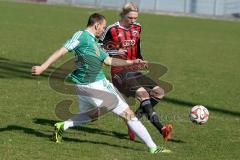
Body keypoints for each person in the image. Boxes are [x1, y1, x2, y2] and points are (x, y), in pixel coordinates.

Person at [31, 13, 171, 154]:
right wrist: (43, 67)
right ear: (96, 25)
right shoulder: (81, 36)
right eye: (103, 27)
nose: (104, 30)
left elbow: (109, 61)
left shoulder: (95, 43)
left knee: (93, 115)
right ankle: (153, 147)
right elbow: (62, 50)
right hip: (95, 86)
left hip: (83, 86)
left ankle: (63, 126)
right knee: (128, 114)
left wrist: (132, 62)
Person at [100, 2, 173, 141]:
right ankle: (162, 129)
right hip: (119, 72)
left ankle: (132, 121)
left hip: (134, 69)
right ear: (123, 15)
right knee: (144, 94)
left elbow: (137, 46)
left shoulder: (137, 28)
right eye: (130, 18)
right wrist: (115, 51)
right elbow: (98, 47)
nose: (133, 21)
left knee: (159, 92)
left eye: (135, 18)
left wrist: (140, 59)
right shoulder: (112, 29)